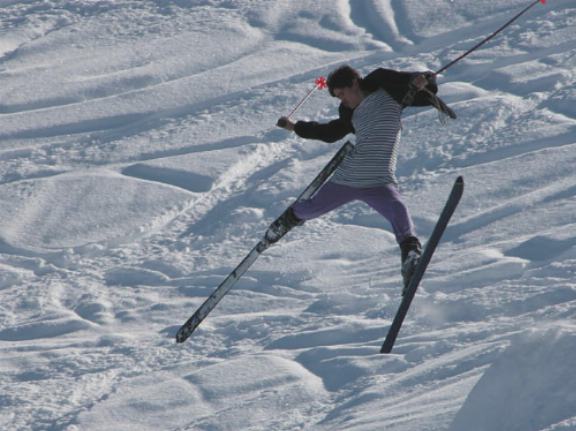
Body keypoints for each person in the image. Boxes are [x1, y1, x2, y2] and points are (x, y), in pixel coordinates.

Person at [268, 65, 448, 289]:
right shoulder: (350, 113)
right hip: (349, 177)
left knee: (399, 211)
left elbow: (420, 84)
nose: (342, 100)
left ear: (354, 83)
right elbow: (328, 133)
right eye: (337, 97)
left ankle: (411, 256)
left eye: (342, 93)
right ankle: (284, 222)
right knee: (311, 208)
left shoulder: (389, 90)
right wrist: (295, 127)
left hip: (380, 179)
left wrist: (423, 81)